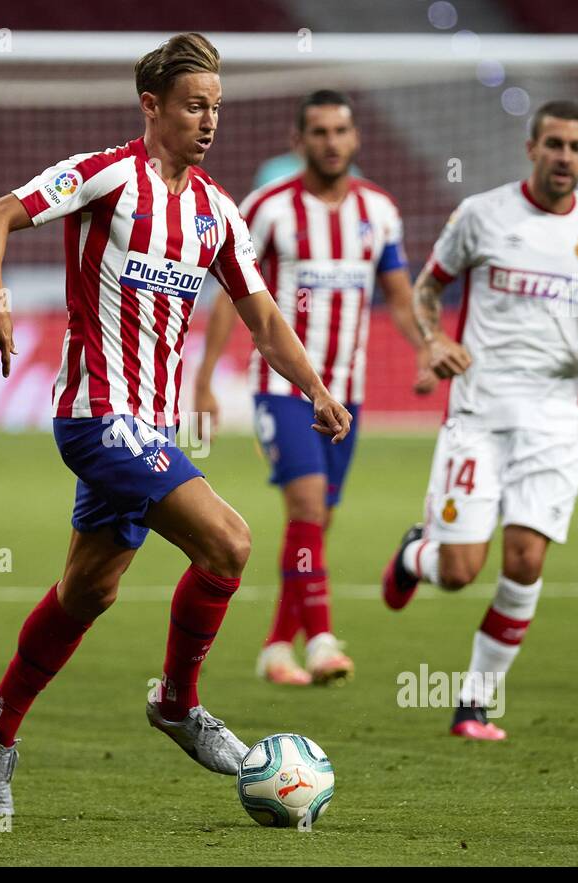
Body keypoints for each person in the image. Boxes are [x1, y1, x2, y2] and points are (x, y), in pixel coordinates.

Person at [0, 33, 352, 816]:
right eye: (195, 106)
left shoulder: (215, 211)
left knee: (89, 591)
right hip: (97, 414)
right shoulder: (105, 175)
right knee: (230, 542)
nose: (209, 121)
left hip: (154, 427)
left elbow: (262, 316)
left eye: (217, 108)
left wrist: (314, 387)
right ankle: (176, 702)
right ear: (153, 106)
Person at [380, 100, 578, 740]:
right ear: (532, 148)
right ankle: (417, 555)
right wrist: (434, 343)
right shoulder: (481, 216)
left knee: (524, 562)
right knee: (461, 570)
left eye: (576, 147)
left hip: (553, 421)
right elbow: (426, 288)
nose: (564, 157)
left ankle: (474, 703)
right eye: (553, 144)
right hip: (478, 415)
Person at [195, 90, 434, 686]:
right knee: (306, 506)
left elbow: (400, 299)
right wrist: (202, 380)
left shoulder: (378, 210)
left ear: (355, 139)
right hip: (283, 390)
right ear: (298, 141)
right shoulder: (268, 207)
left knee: (317, 523)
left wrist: (427, 347)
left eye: (341, 131)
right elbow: (231, 293)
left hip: (347, 392)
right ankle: (323, 640)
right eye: (320, 132)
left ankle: (277, 648)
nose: (332, 142)